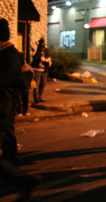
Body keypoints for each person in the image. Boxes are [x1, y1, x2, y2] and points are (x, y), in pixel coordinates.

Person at [0, 18, 41, 200]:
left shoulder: (10, 58)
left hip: (2, 111)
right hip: (4, 110)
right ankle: (18, 176)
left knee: (8, 139)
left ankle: (20, 178)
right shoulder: (6, 55)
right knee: (8, 140)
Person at [31, 38, 52, 103]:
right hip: (37, 70)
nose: (43, 47)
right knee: (36, 85)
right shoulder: (36, 51)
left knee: (42, 84)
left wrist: (48, 61)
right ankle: (36, 99)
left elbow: (49, 59)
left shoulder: (45, 52)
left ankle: (40, 97)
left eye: (44, 46)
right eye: (42, 46)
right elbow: (33, 47)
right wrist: (37, 43)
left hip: (44, 70)